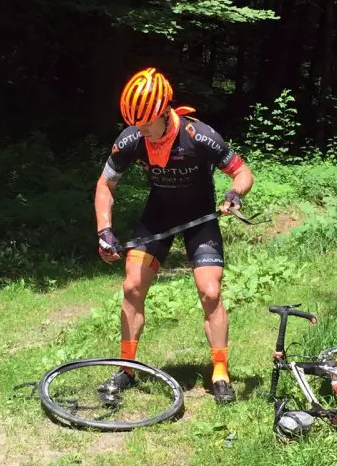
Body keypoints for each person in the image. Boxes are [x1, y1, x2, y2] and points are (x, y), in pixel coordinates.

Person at [94, 67, 254, 403]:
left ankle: (220, 371)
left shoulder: (200, 136)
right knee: (132, 286)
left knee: (210, 292)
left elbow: (241, 173)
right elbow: (105, 184)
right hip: (158, 216)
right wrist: (104, 231)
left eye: (148, 123)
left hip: (200, 218)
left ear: (165, 110)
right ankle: (127, 368)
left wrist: (234, 194)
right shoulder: (132, 139)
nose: (143, 131)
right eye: (137, 124)